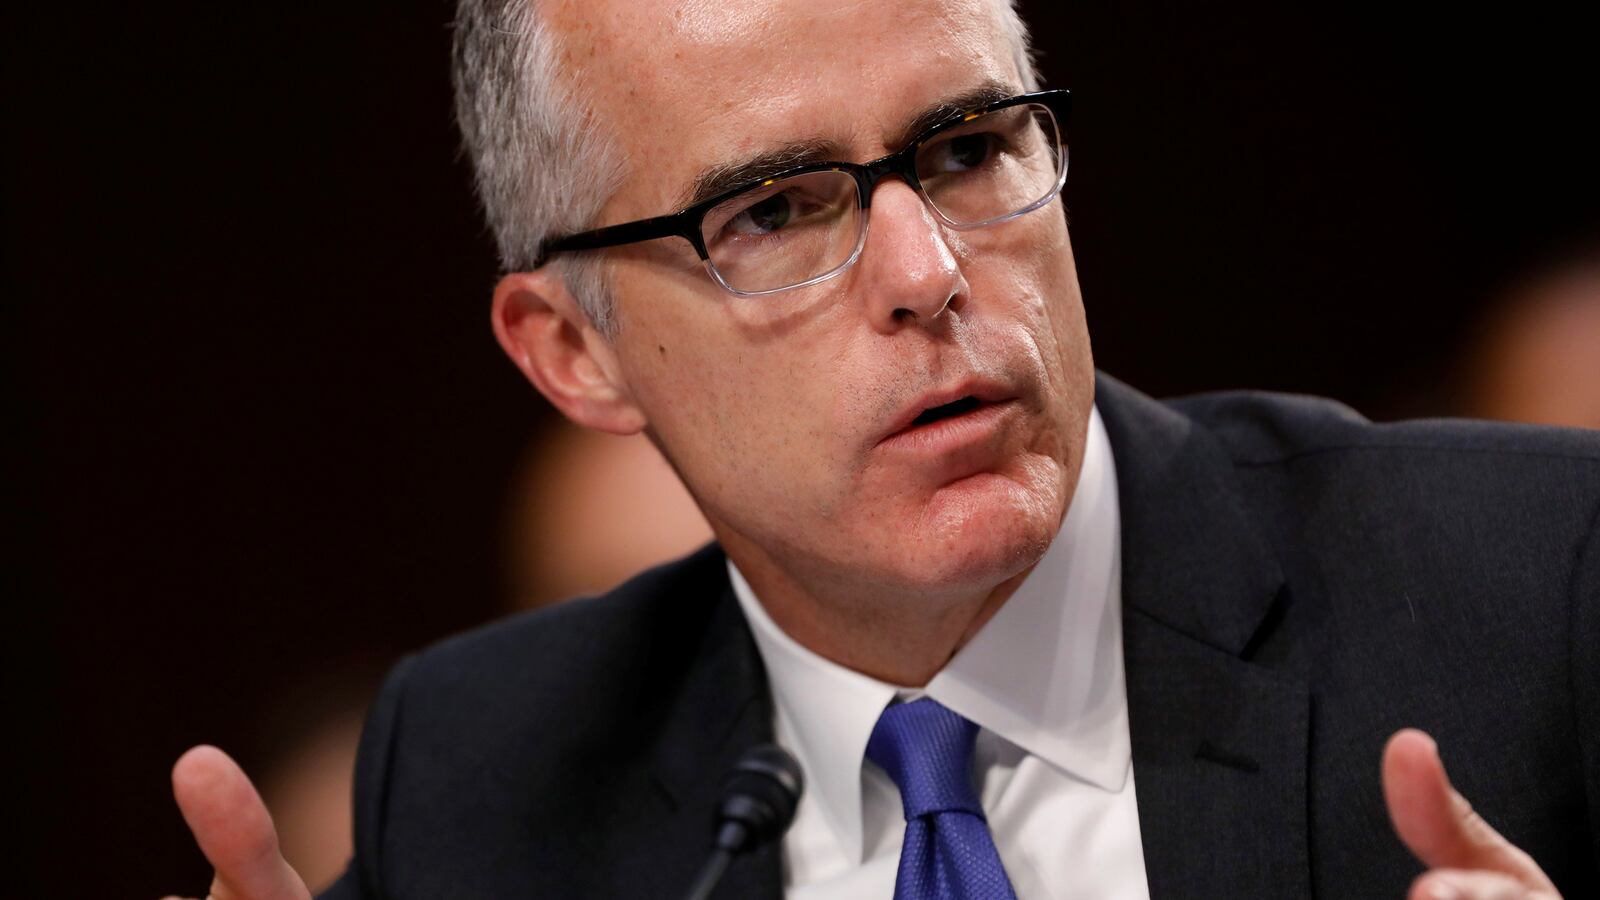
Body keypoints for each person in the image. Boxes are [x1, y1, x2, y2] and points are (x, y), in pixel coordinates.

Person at [163, 0, 1600, 898]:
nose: (927, 268)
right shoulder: (487, 786)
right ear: (572, 350)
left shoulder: (1540, 594)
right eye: (777, 211)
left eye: (971, 146)